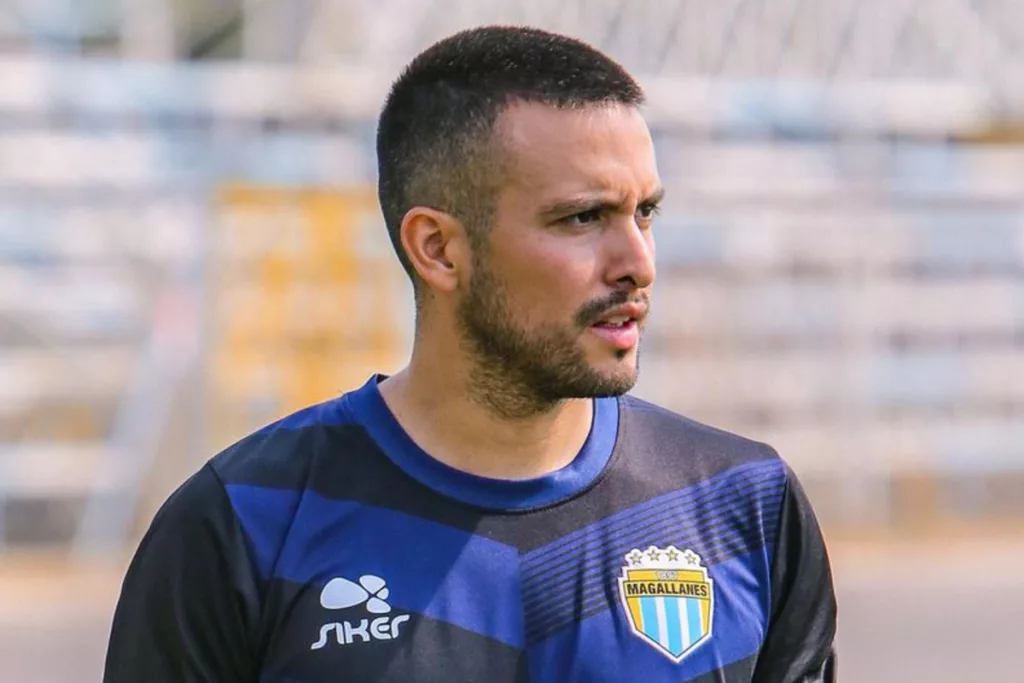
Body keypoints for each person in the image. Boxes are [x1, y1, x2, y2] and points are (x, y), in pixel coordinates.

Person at [103, 25, 837, 683]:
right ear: (438, 249)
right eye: (584, 217)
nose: (638, 261)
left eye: (644, 212)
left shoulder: (744, 508)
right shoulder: (246, 524)